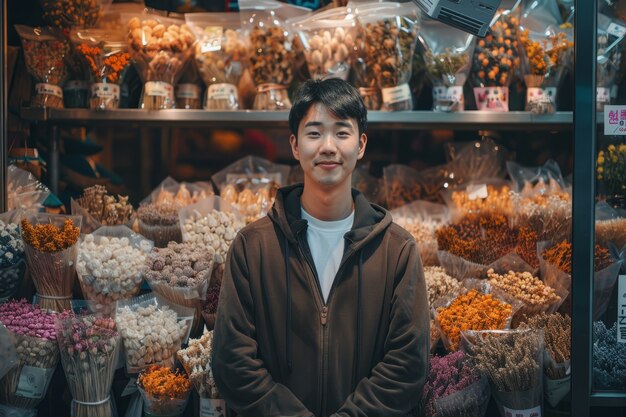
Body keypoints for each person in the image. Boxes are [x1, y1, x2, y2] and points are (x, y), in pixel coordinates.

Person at [212, 78, 429, 417]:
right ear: (296, 146)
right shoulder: (252, 248)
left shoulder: (397, 251)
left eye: (342, 133)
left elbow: (407, 363)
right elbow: (232, 360)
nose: (328, 146)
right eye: (314, 133)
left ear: (360, 145)